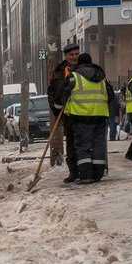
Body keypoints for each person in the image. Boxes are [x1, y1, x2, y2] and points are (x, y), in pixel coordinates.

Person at [55, 53, 114, 184]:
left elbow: (61, 97)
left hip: (82, 117)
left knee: (83, 146)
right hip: (100, 116)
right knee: (99, 145)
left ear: (79, 63)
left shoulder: (74, 76)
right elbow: (110, 96)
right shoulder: (101, 77)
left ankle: (86, 174)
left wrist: (58, 106)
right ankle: (98, 173)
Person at [48, 43, 80, 182]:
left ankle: (86, 170)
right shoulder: (60, 70)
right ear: (66, 56)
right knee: (72, 144)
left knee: (83, 143)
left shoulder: (84, 68)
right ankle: (73, 171)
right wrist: (56, 109)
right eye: (71, 55)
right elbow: (52, 90)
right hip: (68, 114)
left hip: (84, 112)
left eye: (76, 54)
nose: (74, 57)